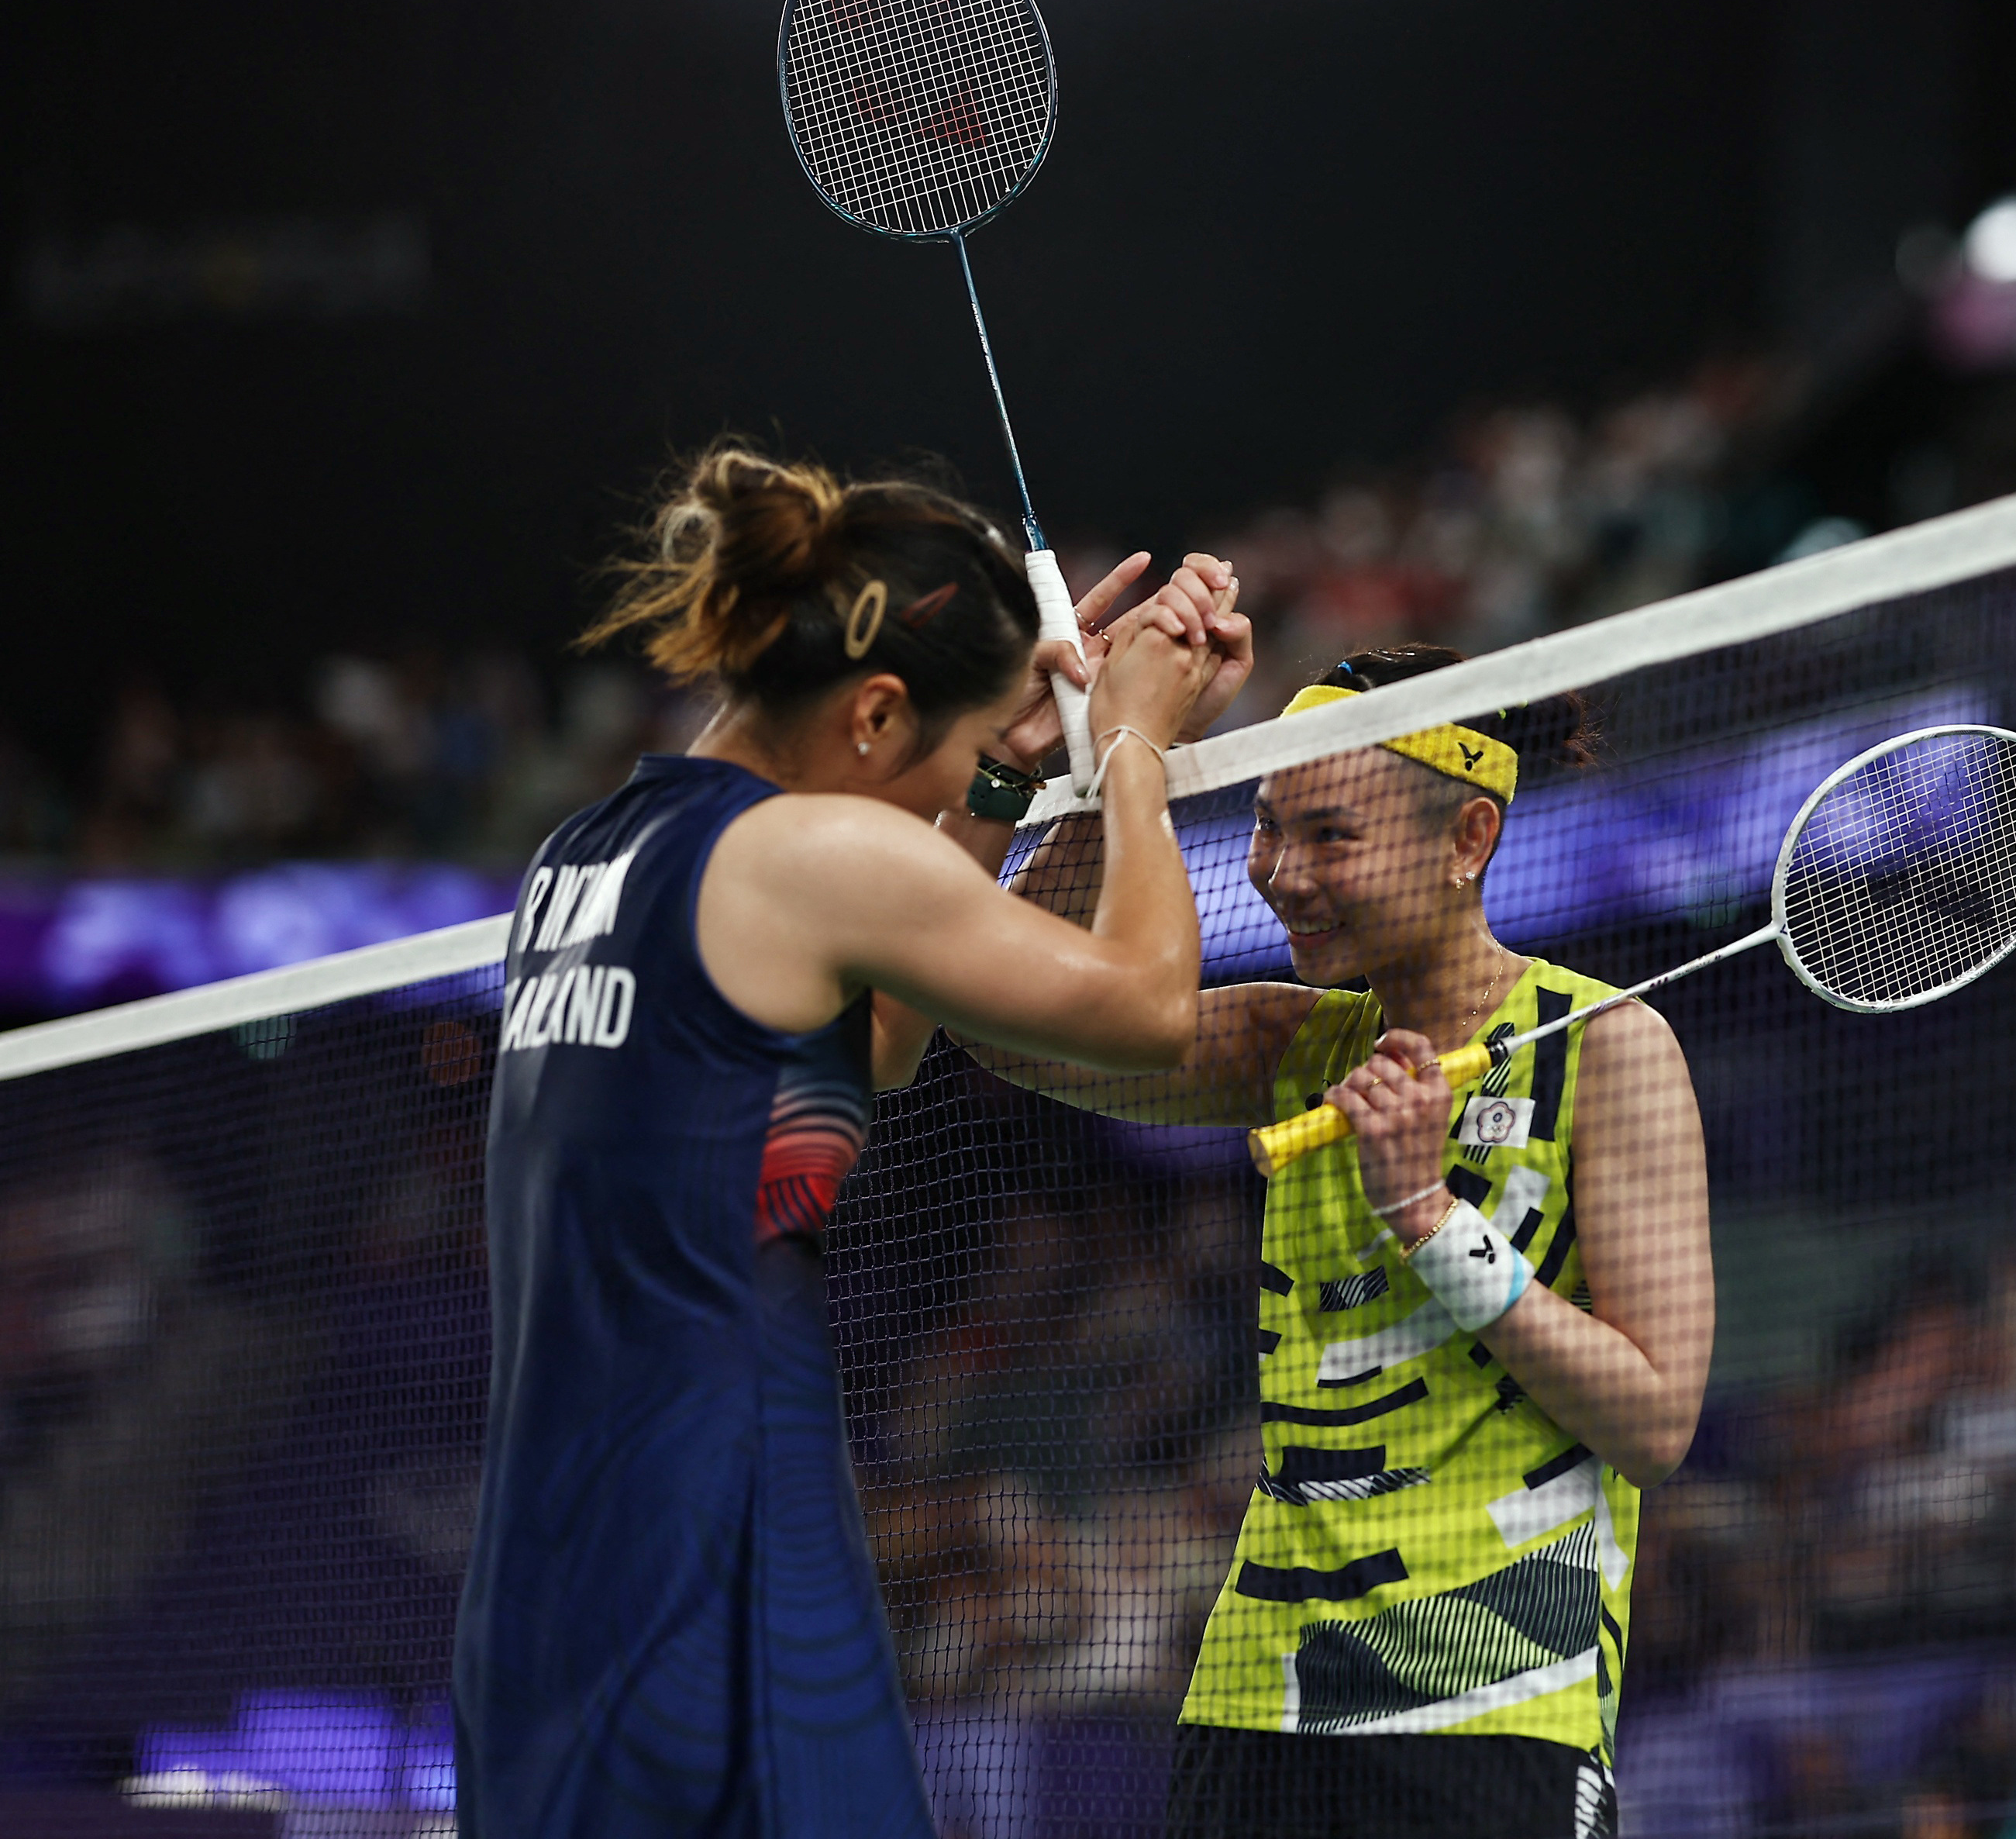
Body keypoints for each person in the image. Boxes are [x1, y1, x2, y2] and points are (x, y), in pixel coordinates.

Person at [452, 447, 1246, 1838]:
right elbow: (1148, 1005)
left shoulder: (588, 854)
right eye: (949, 750)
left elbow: (866, 1048)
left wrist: (995, 784)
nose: (958, 783)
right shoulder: (805, 855)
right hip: (718, 1551)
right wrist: (1129, 744)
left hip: (554, 1578)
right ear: (875, 713)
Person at [950, 642, 1713, 1839]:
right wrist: (1111, 764)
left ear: (1466, 840)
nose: (1280, 875)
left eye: (1330, 837)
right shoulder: (1288, 1045)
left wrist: (1427, 1216)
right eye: (1266, 827)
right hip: (1260, 1695)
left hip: (1493, 1701)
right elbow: (1006, 1021)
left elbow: (1655, 1420)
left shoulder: (1605, 1049)